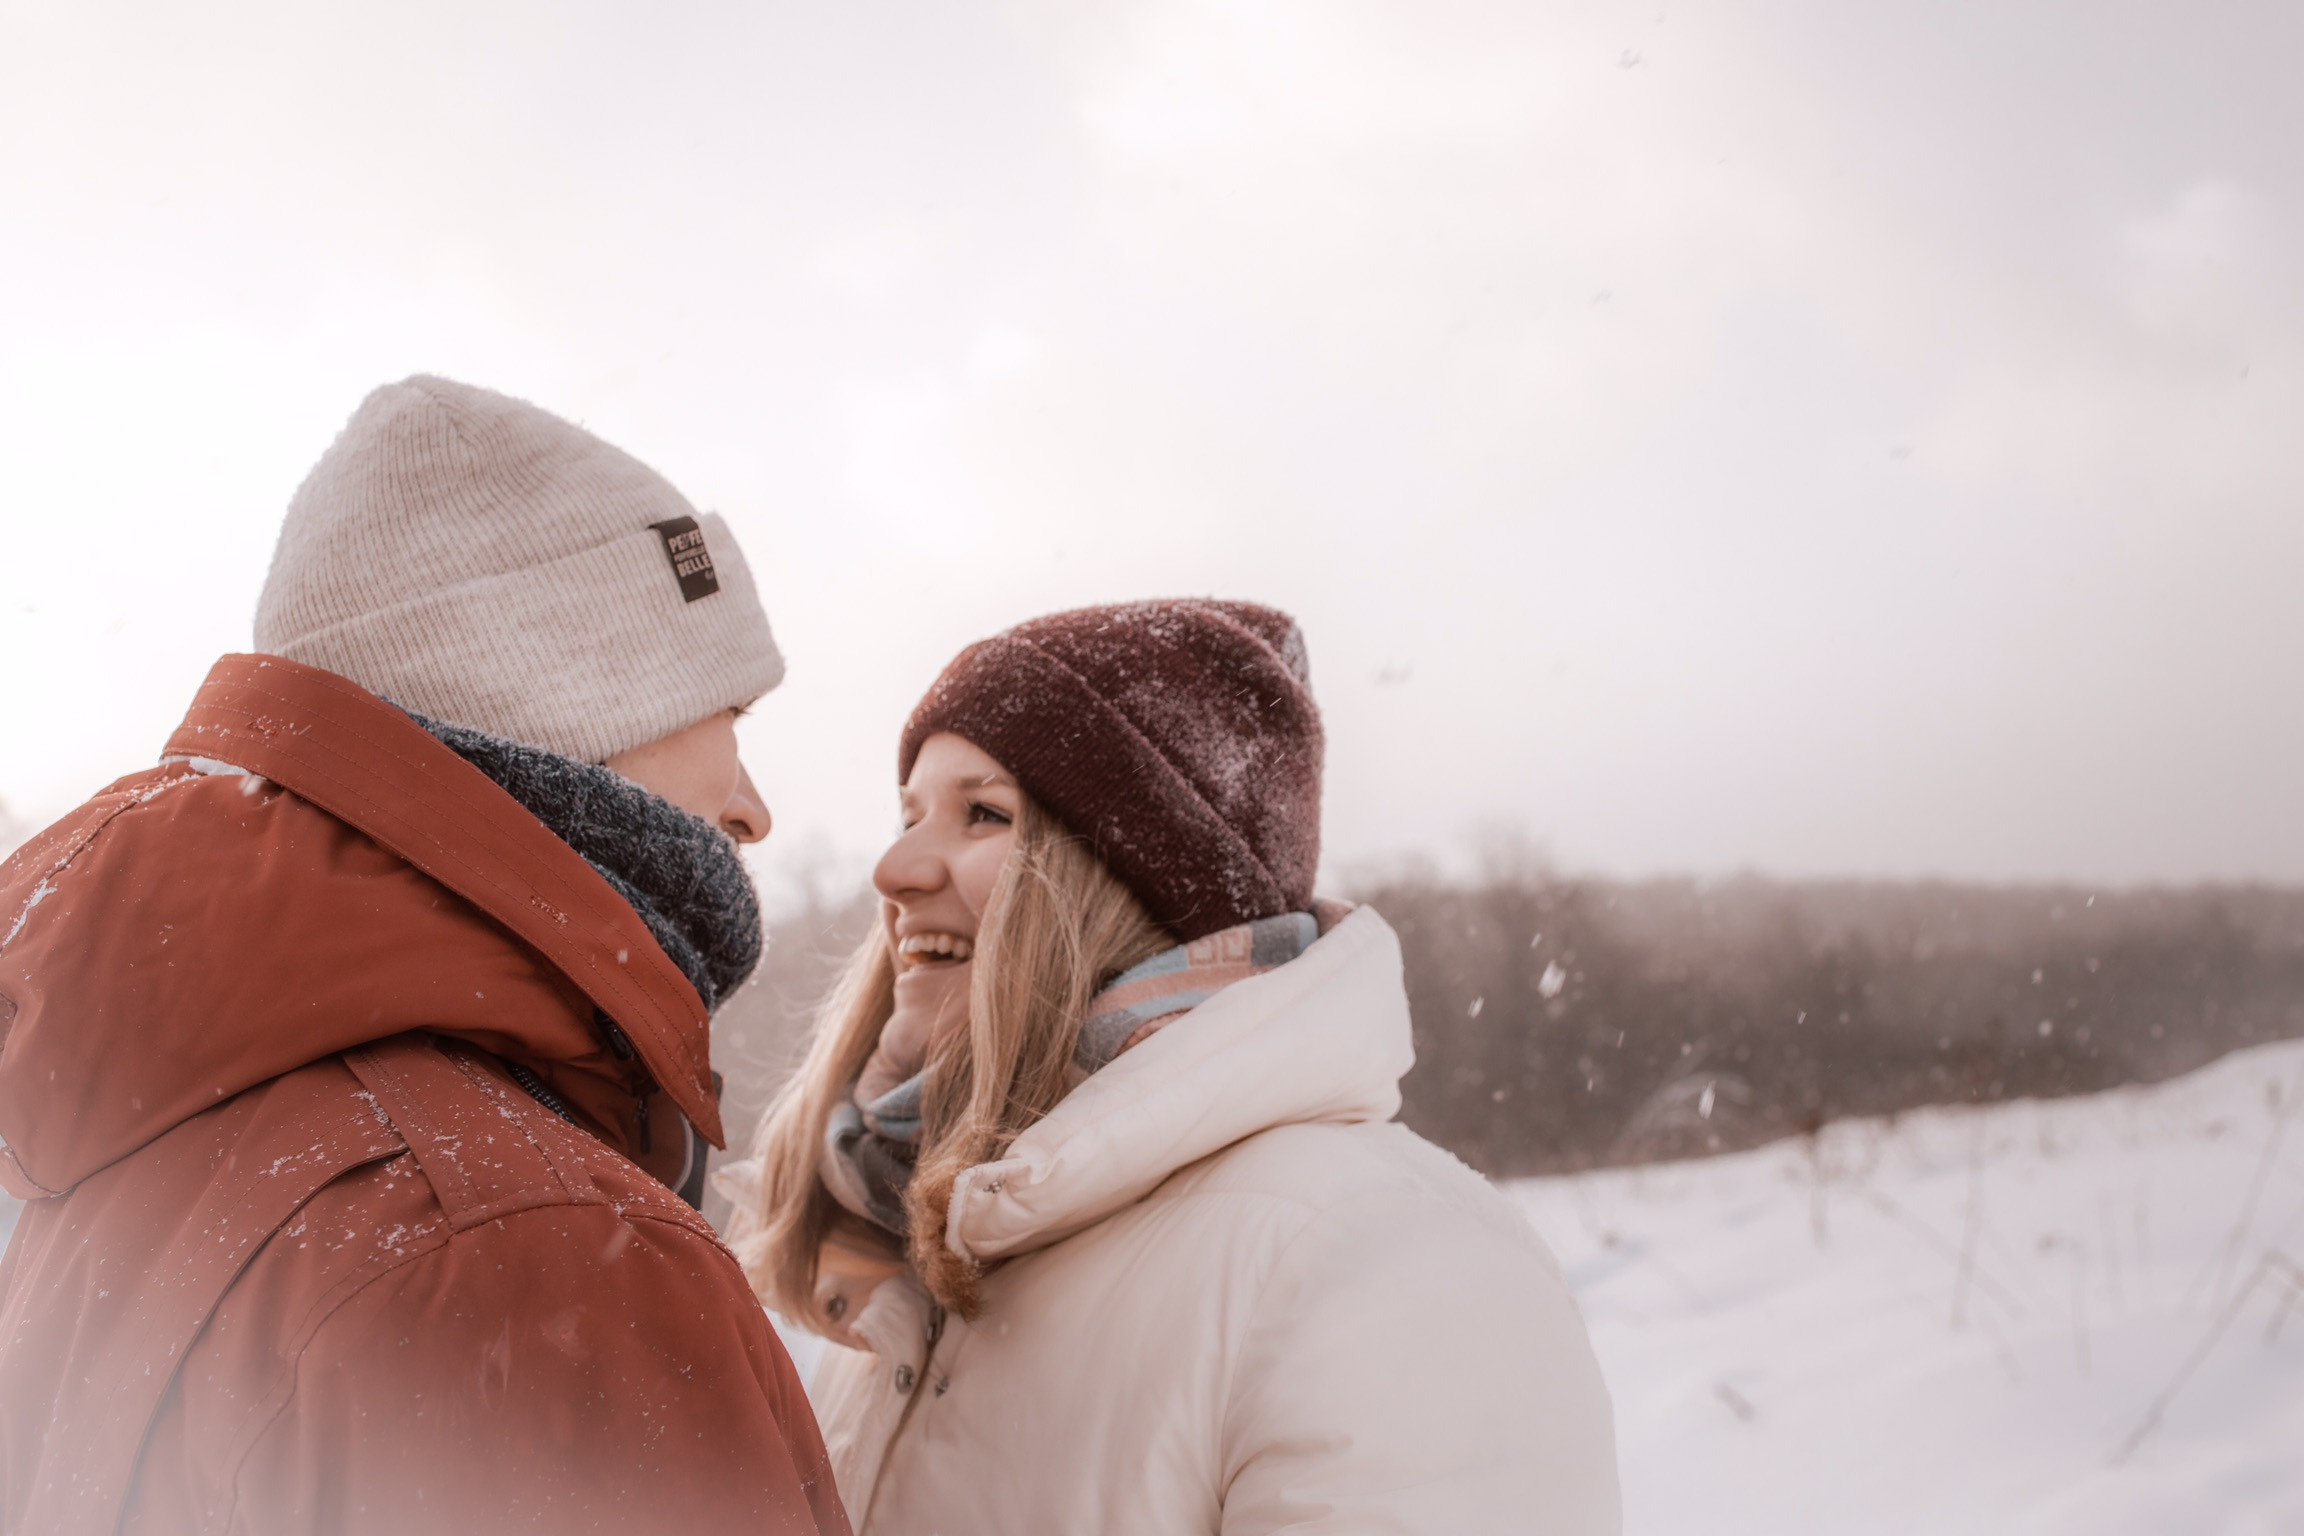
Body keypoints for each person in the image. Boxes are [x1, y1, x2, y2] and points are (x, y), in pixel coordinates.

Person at [0, 376, 848, 1534]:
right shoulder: (523, 1247)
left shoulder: (137, 1157)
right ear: (567, 715)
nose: (751, 809)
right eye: (728, 716)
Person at [730, 600, 1620, 1534]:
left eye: (983, 813)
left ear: (1137, 881)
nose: (895, 867)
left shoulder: (1384, 1255)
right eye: (908, 814)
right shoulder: (923, 1254)